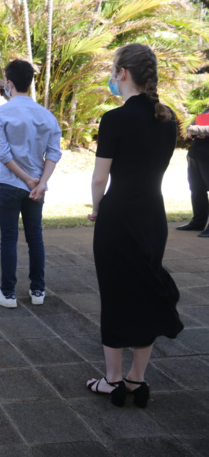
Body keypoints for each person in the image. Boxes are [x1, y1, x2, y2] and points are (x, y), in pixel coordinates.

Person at [86, 44, 184, 408]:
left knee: (114, 294)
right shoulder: (167, 117)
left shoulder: (114, 119)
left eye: (114, 69)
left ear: (122, 73)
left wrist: (96, 210)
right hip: (152, 217)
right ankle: (136, 380)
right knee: (145, 290)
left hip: (117, 218)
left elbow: (100, 180)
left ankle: (111, 380)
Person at [0, 59, 61, 308]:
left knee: (9, 238)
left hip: (10, 183)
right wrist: (40, 183)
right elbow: (53, 153)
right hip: (37, 186)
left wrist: (27, 179)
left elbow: (3, 154)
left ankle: (7, 293)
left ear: (9, 83)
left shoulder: (2, 111)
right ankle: (38, 290)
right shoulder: (46, 115)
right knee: (35, 237)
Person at [175, 106, 209, 238]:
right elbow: (190, 127)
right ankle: (198, 222)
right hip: (196, 152)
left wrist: (194, 130)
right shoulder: (206, 109)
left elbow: (192, 129)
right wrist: (194, 130)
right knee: (196, 188)